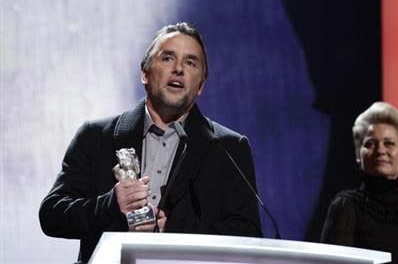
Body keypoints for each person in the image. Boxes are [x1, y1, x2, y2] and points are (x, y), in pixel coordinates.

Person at [39, 22, 262, 263]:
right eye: (167, 58)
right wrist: (111, 206)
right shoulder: (95, 136)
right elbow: (52, 215)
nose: (178, 69)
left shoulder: (228, 148)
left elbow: (247, 234)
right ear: (144, 73)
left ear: (200, 86)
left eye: (190, 62)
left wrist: (177, 232)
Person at [320, 102, 398, 264]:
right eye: (370, 144)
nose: (380, 150)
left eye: (389, 143)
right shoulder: (346, 207)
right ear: (358, 154)